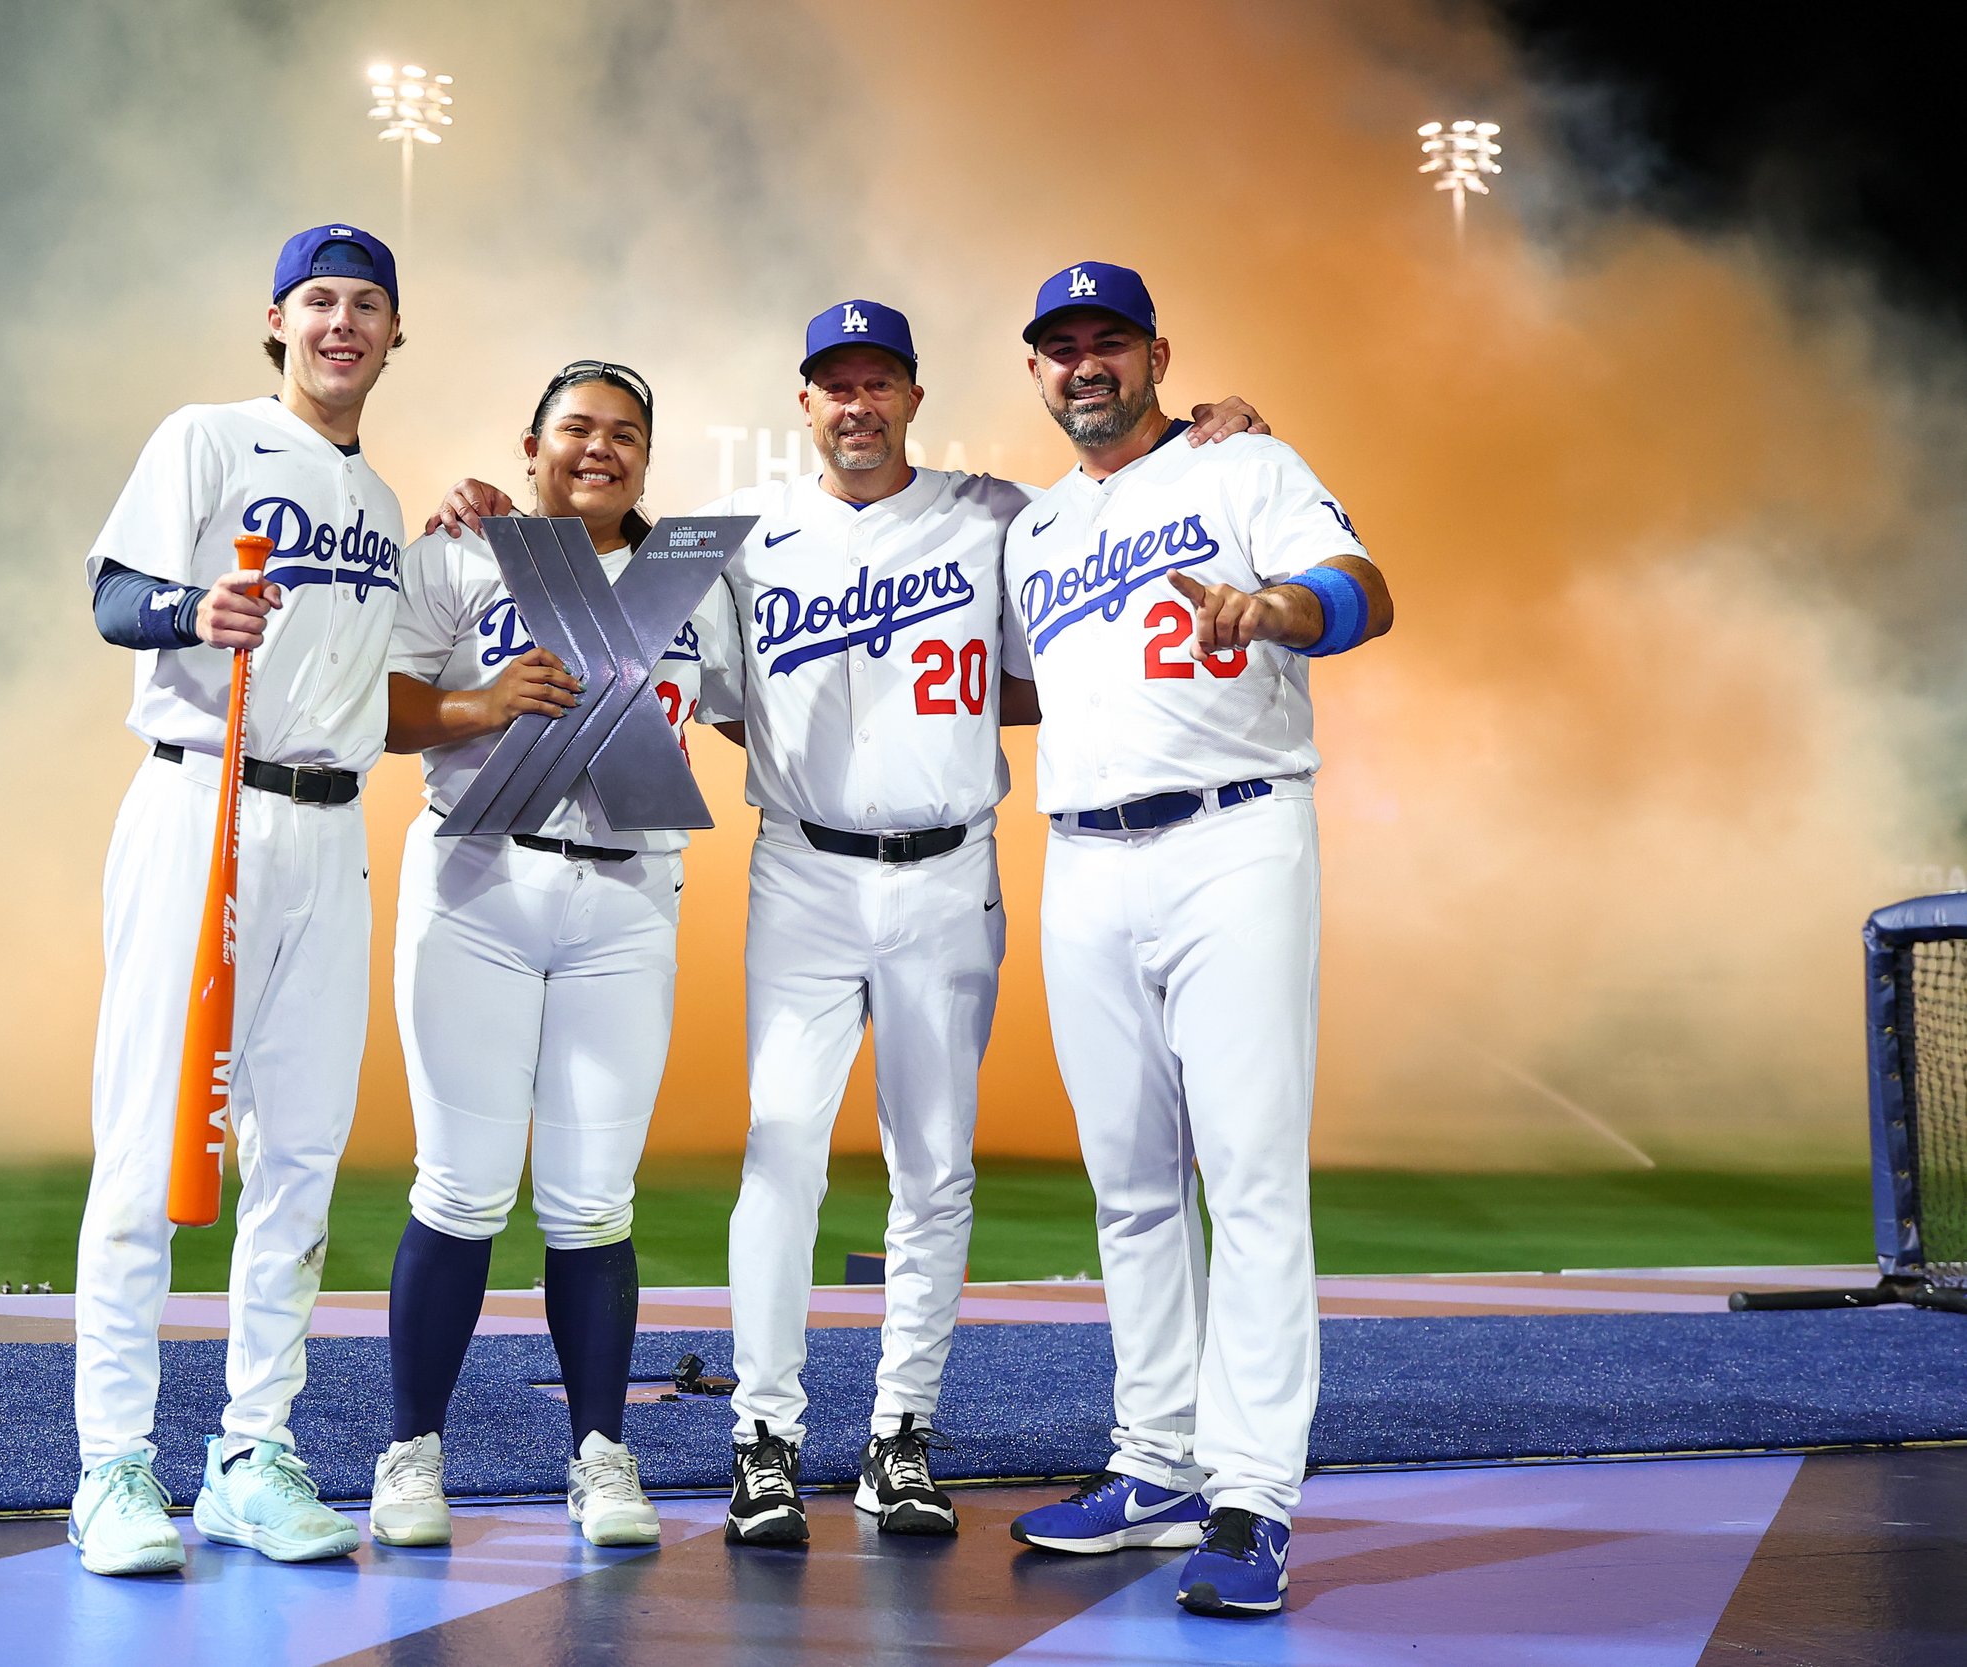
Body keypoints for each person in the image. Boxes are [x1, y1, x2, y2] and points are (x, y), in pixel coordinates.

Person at [431, 304, 1266, 1547]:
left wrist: (1211, 440)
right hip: (805, 872)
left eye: (880, 382)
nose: (857, 404)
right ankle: (763, 1436)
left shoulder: (1000, 513)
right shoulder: (747, 541)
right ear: (804, 403)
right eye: (835, 384)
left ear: (914, 399)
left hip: (947, 871)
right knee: (782, 1153)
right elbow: (656, 648)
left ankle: (899, 1437)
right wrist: (497, 512)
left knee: (934, 1167)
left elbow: (1118, 527)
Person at [998, 261, 1393, 1617]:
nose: (1086, 363)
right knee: (1129, 1182)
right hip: (1084, 856)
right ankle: (1157, 1462)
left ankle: (1251, 1495)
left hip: (1233, 835)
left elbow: (1365, 586)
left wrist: (1285, 606)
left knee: (1249, 1170)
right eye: (1062, 347)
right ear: (1036, 372)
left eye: (1110, 341)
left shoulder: (1245, 463)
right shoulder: (1036, 528)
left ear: (1158, 355)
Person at [69, 224, 409, 1577]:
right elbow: (106, 596)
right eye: (319, 299)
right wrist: (184, 610)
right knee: (153, 1140)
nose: (341, 322)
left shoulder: (381, 503)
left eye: (366, 303)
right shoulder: (206, 437)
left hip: (329, 828)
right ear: (276, 319)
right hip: (199, 796)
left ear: (396, 333)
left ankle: (250, 1451)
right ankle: (110, 1465)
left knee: (305, 1151)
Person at [373, 360, 738, 1549]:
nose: (600, 448)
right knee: (462, 1185)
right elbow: (372, 707)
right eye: (576, 428)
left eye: (625, 432)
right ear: (527, 442)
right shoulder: (463, 553)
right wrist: (479, 704)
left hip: (627, 895)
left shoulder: (697, 573)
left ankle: (598, 1450)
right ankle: (412, 1451)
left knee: (592, 1201)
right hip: (479, 880)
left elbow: (751, 704)